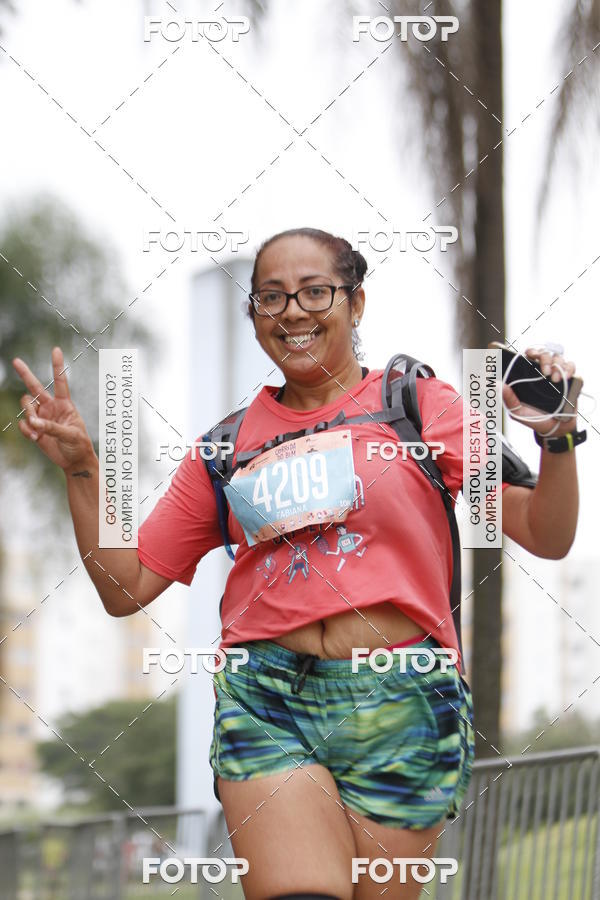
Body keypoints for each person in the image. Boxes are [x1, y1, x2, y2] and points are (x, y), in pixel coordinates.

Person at [12, 227, 582, 900]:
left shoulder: (418, 408)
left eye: (316, 292)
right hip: (268, 700)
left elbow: (544, 533)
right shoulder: (223, 447)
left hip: (402, 702)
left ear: (356, 303)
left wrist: (558, 436)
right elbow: (125, 587)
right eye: (271, 297)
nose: (293, 311)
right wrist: (84, 470)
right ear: (254, 316)